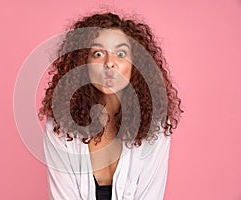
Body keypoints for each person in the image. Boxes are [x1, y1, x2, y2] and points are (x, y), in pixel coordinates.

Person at [38, 12, 183, 200]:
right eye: (98, 54)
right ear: (83, 63)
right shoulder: (59, 129)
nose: (109, 64)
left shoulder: (156, 128)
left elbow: (150, 195)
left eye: (121, 54)